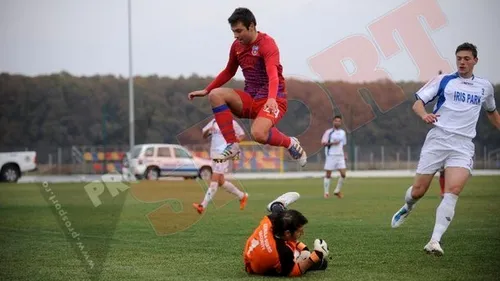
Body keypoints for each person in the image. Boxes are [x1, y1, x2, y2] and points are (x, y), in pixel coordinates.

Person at [391, 42, 500, 256]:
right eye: (459, 58)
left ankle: (434, 241)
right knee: (418, 191)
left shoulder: (485, 87)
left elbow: (492, 113)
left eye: (467, 58)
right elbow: (417, 103)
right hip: (438, 140)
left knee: (453, 192)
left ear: (475, 61)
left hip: (463, 144)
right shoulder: (444, 80)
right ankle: (408, 206)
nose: (462, 62)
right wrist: (425, 115)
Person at [187, 7, 307, 167]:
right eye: (233, 32)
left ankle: (290, 143)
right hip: (250, 98)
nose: (236, 36)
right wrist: (207, 89)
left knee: (258, 134)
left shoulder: (267, 44)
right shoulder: (236, 46)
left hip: (274, 99)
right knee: (215, 95)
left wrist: (271, 99)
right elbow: (229, 71)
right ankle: (232, 145)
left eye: (239, 31)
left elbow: (273, 74)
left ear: (251, 26)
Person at [243, 192, 330, 276]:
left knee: (280, 213)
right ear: (287, 233)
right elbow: (295, 271)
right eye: (299, 231)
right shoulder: (283, 252)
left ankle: (277, 204)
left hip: (252, 254)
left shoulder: (269, 221)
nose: (302, 233)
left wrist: (302, 247)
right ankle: (277, 204)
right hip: (256, 268)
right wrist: (316, 256)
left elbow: (278, 214)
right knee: (319, 262)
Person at [193, 118, 248, 214]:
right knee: (221, 181)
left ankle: (202, 205)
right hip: (214, 153)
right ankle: (242, 196)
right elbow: (204, 135)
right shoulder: (214, 122)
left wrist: (235, 142)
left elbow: (242, 134)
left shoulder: (232, 122)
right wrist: (207, 130)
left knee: (214, 179)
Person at [321, 115, 348, 199]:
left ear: (341, 122)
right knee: (328, 175)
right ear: (333, 122)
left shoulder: (343, 132)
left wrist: (345, 154)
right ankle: (326, 193)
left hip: (340, 156)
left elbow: (343, 144)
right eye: (336, 121)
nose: (337, 122)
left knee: (343, 174)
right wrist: (332, 143)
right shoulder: (328, 132)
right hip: (331, 155)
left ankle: (337, 191)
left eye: (339, 121)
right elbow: (323, 143)